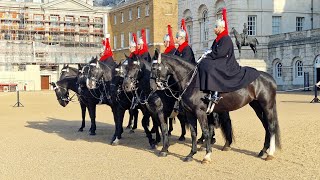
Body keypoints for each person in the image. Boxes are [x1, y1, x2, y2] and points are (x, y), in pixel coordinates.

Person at [196, 11, 259, 104]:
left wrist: (209, 55)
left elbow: (220, 53)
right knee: (203, 63)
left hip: (226, 62)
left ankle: (215, 92)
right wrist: (206, 55)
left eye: (216, 27)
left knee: (210, 66)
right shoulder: (218, 39)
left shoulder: (226, 38)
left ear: (221, 28)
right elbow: (213, 50)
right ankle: (205, 88)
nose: (214, 29)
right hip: (220, 59)